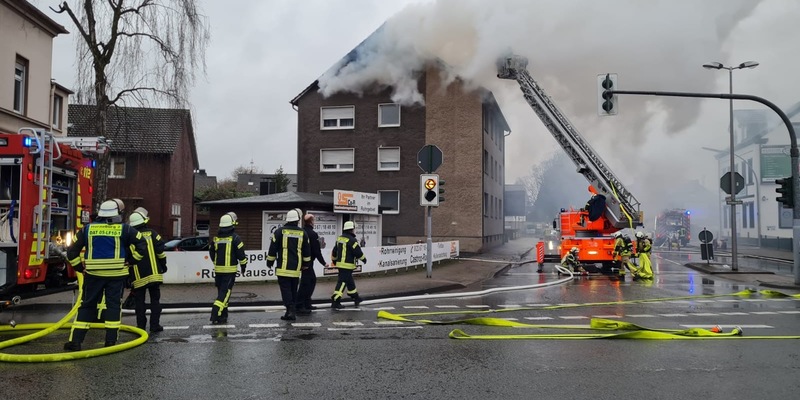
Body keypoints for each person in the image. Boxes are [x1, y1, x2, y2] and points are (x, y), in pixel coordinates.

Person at [63, 199, 147, 351]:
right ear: (117, 214)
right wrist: (132, 261)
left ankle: (76, 341)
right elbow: (142, 245)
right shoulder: (125, 229)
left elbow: (72, 251)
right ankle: (110, 341)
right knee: (113, 306)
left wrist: (78, 267)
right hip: (116, 276)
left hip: (93, 275)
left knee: (87, 306)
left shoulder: (87, 229)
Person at [127, 207, 168, 332]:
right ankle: (155, 325)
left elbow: (127, 257)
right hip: (154, 274)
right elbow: (161, 251)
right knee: (155, 301)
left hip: (138, 276)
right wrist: (163, 265)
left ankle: (141, 326)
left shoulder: (129, 237)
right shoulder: (152, 233)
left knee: (140, 303)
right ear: (144, 221)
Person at [267, 209, 311, 321]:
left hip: (283, 267)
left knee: (285, 290)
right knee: (293, 289)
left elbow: (273, 248)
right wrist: (306, 264)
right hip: (296, 268)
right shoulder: (303, 233)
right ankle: (291, 311)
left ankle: (290, 310)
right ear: (297, 220)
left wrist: (269, 262)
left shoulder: (279, 232)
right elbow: (307, 251)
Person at [209, 212, 247, 325]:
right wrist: (244, 266)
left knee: (222, 292)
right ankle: (215, 312)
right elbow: (241, 255)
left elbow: (211, 253)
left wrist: (216, 262)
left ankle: (222, 316)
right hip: (229, 272)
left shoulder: (216, 239)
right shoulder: (236, 238)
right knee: (225, 294)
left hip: (218, 271)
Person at [331, 221, 366, 310]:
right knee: (342, 282)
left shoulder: (339, 239)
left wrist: (334, 260)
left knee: (349, 280)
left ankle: (355, 296)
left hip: (340, 265)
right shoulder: (352, 240)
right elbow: (358, 252)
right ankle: (336, 300)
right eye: (353, 229)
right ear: (351, 229)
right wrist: (364, 259)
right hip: (347, 265)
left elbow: (335, 251)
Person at [296, 213, 327, 316]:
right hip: (308, 262)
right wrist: (324, 263)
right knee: (307, 283)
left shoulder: (301, 232)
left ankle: (306, 303)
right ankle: (300, 304)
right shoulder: (313, 234)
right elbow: (316, 251)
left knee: (310, 281)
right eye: (314, 220)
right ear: (311, 222)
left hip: (302, 261)